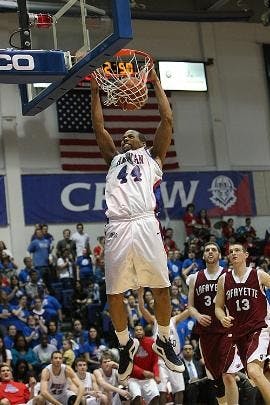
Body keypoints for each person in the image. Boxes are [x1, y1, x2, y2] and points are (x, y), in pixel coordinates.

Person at [91, 68, 184, 381]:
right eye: (123, 136)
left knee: (161, 286)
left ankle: (163, 338)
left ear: (143, 141)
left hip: (145, 222)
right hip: (117, 225)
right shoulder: (113, 159)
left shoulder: (153, 156)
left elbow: (167, 120)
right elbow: (99, 125)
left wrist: (156, 83)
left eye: (130, 135)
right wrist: (94, 91)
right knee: (114, 294)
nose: (124, 138)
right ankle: (124, 344)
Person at [215, 242, 270, 404]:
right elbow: (218, 307)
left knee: (253, 371)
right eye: (231, 251)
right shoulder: (224, 279)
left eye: (237, 250)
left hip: (259, 328)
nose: (233, 253)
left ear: (246, 255)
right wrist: (221, 317)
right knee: (253, 377)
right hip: (238, 333)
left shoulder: (258, 275)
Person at [188, 242, 242, 405]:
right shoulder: (194, 278)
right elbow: (190, 307)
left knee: (228, 375)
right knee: (217, 380)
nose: (210, 252)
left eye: (214, 250)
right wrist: (197, 315)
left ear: (219, 255)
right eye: (207, 250)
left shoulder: (229, 275)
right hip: (206, 335)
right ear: (203, 255)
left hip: (227, 332)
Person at [138, 288, 188, 405]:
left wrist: (192, 292)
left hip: (174, 358)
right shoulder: (154, 321)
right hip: (160, 360)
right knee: (162, 390)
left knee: (179, 389)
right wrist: (140, 294)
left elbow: (189, 310)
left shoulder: (173, 320)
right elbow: (142, 309)